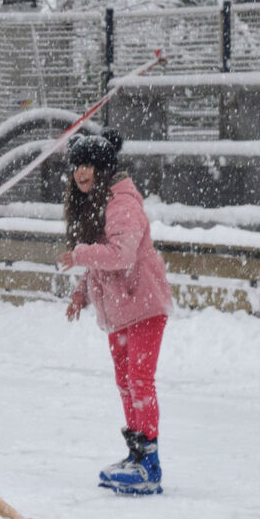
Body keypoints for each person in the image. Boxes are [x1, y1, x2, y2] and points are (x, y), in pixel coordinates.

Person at [58, 128, 173, 496]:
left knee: (140, 380)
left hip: (143, 305)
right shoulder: (99, 203)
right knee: (125, 382)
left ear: (104, 167)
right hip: (121, 310)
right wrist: (81, 292)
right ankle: (136, 453)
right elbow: (102, 261)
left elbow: (121, 255)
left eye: (88, 165)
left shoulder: (123, 204)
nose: (80, 173)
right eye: (76, 166)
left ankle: (150, 463)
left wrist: (79, 254)